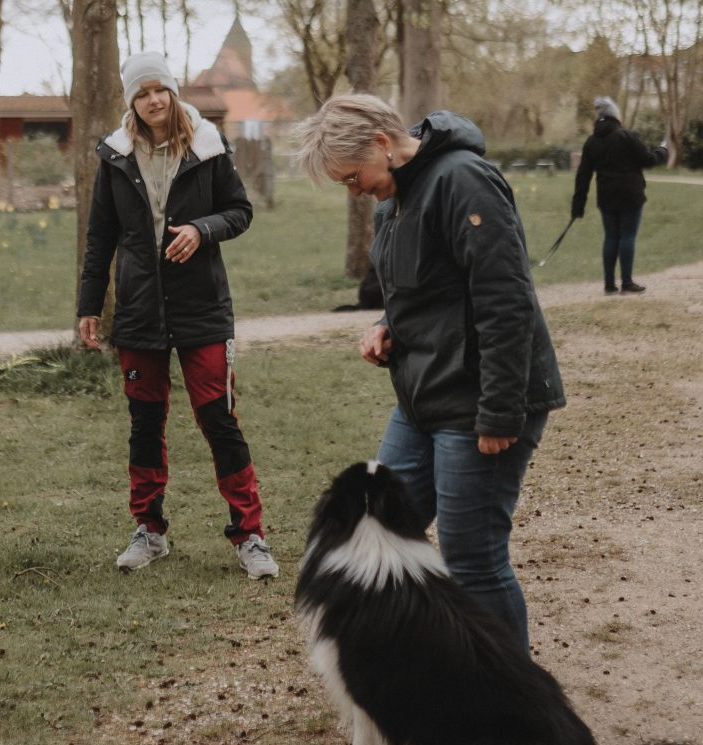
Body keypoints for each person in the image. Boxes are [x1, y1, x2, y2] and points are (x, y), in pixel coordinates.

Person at [294, 94, 566, 651]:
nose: (356, 191)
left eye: (353, 177)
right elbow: (426, 287)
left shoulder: (462, 180)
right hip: (421, 401)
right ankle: (422, 668)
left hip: (481, 403)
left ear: (380, 144)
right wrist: (386, 324)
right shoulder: (393, 195)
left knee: (473, 559)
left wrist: (499, 413)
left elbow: (505, 302)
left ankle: (509, 700)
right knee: (378, 531)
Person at [77, 51, 279, 579]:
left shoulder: (209, 148)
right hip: (140, 311)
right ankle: (150, 531)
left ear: (173, 90)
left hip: (202, 308)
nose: (153, 101)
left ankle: (250, 535)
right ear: (132, 100)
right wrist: (88, 306)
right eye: (141, 94)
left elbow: (240, 211)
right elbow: (100, 238)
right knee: (145, 423)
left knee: (219, 418)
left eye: (159, 90)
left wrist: (201, 229)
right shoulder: (116, 155)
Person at [570, 96, 667, 295]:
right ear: (615, 115)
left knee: (611, 237)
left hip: (606, 196)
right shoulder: (626, 136)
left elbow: (583, 175)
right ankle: (627, 282)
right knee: (628, 236)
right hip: (631, 194)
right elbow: (648, 160)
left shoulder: (591, 142)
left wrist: (578, 205)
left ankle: (608, 284)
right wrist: (662, 151)